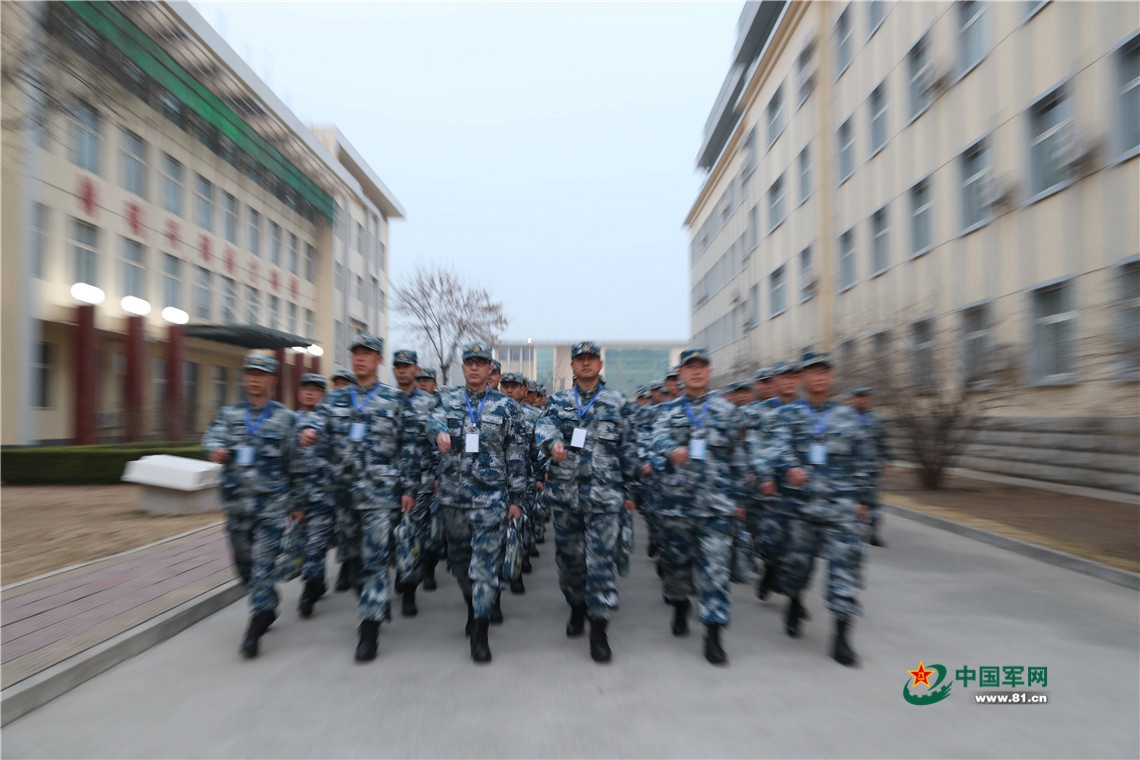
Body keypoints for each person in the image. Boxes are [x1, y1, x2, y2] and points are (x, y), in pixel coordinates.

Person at [299, 335, 420, 662]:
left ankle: (370, 627)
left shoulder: (395, 400)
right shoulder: (336, 400)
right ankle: (369, 600)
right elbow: (315, 419)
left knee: (376, 559)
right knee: (353, 560)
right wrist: (309, 430)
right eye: (356, 354)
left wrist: (409, 488)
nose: (361, 359)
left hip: (380, 495)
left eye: (367, 354)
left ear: (379, 360)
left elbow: (408, 446)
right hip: (344, 494)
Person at [535, 342, 639, 663]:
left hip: (604, 497)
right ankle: (576, 606)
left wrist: (631, 493)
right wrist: (552, 442)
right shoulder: (559, 401)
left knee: (601, 563)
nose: (585, 364)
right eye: (580, 360)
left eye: (590, 359)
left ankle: (599, 630)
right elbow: (543, 426)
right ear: (573, 366)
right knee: (570, 562)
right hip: (566, 496)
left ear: (600, 363)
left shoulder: (618, 402)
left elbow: (630, 447)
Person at [766, 352, 872, 667]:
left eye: (824, 371)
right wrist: (790, 467)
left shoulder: (847, 416)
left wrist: (865, 499)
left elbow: (862, 458)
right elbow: (778, 447)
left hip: (841, 507)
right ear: (802, 379)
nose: (819, 377)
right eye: (813, 372)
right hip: (801, 507)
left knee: (846, 571)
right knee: (797, 569)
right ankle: (794, 600)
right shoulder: (789, 414)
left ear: (831, 376)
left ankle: (841, 637)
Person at [648, 348, 747, 665]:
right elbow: (655, 441)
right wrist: (669, 449)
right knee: (677, 566)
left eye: (701, 366)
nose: (696, 372)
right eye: (689, 367)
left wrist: (739, 499)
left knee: (715, 572)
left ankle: (714, 633)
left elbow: (739, 458)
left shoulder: (727, 411)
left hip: (716, 505)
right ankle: (679, 605)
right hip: (678, 504)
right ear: (681, 374)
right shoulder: (667, 411)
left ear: (709, 370)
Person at [429, 344, 527, 663]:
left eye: (480, 364)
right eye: (469, 363)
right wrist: (439, 431)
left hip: (491, 499)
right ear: (463, 367)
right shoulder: (445, 400)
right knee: (459, 563)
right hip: (453, 497)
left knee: (484, 567)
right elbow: (429, 421)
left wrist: (516, 498)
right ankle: (472, 605)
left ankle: (481, 633)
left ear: (490, 370)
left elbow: (516, 454)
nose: (474, 368)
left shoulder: (506, 407)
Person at [202, 354, 304, 658]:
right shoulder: (229, 414)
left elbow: (296, 464)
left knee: (262, 566)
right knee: (244, 568)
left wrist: (297, 502)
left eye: (261, 374)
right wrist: (214, 449)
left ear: (272, 379)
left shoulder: (286, 419)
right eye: (250, 374)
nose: (254, 379)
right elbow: (212, 436)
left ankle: (256, 626)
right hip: (237, 505)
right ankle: (268, 601)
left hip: (271, 507)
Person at [389, 349, 440, 616]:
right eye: (398, 366)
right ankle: (399, 568)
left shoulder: (429, 404)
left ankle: (409, 590)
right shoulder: (385, 400)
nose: (402, 370)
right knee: (389, 537)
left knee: (412, 534)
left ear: (416, 369)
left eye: (407, 366)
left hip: (420, 480)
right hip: (386, 482)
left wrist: (436, 476)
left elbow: (435, 443)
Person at [293, 373, 335, 619]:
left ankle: (308, 592)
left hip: (323, 496)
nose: (310, 393)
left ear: (323, 395)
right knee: (300, 545)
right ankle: (316, 581)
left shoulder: (329, 423)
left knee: (315, 545)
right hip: (299, 498)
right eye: (306, 388)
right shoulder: (289, 421)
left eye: (316, 390)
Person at [848, 387, 891, 547]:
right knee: (852, 500)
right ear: (852, 399)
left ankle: (873, 533)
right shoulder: (845, 418)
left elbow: (882, 440)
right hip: (851, 468)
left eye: (864, 397)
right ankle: (852, 531)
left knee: (873, 501)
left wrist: (886, 457)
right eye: (858, 397)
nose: (861, 400)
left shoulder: (876, 419)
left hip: (871, 467)